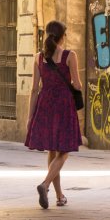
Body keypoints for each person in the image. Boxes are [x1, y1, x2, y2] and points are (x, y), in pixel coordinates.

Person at [24, 20, 83, 209]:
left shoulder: (38, 58)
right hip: (64, 106)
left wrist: (29, 116)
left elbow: (34, 90)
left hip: (45, 106)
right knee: (64, 151)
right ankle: (45, 184)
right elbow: (77, 85)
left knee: (52, 150)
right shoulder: (69, 55)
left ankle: (59, 196)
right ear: (62, 37)